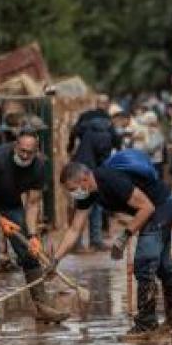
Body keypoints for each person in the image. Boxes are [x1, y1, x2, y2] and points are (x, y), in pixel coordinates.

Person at [54, 154, 172, 337]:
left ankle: (146, 325)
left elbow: (147, 207)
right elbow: (75, 229)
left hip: (163, 206)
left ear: (84, 179)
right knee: (162, 265)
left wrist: (124, 236)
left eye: (73, 189)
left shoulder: (111, 180)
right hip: (152, 212)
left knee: (144, 262)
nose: (72, 194)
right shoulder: (87, 194)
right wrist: (55, 259)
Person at [0, 127, 67, 322]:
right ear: (15, 145)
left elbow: (32, 204)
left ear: (36, 151)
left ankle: (42, 307)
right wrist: (0, 220)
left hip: (12, 205)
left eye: (29, 152)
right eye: (22, 150)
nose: (24, 156)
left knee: (30, 253)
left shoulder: (40, 166)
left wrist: (32, 235)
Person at [67, 94, 120, 251]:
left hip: (78, 167)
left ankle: (79, 242)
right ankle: (93, 241)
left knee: (82, 204)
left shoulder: (86, 121)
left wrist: (70, 147)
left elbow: (73, 131)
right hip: (89, 171)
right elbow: (105, 156)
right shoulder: (106, 132)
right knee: (94, 204)